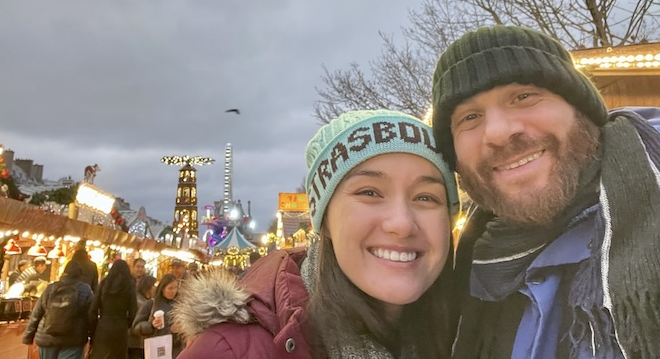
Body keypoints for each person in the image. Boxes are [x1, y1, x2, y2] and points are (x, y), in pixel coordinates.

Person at [430, 25, 660, 359]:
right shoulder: (476, 274)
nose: (497, 132)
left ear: (582, 110)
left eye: (523, 96)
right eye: (470, 117)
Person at [175, 109, 460, 359]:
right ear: (323, 222)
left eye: (426, 197)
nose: (401, 223)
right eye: (369, 192)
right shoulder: (228, 351)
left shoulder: (480, 334)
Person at [23, 261, 94, 359]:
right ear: (80, 275)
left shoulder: (51, 288)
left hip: (47, 337)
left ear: (64, 273)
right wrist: (93, 338)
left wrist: (28, 337)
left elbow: (37, 313)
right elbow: (91, 315)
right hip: (73, 340)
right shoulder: (85, 290)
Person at [88, 259, 138, 359]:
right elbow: (133, 312)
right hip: (121, 327)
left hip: (103, 327)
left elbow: (93, 309)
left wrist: (93, 330)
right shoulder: (130, 285)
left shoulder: (104, 283)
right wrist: (126, 324)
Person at [132, 274, 183, 358]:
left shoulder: (181, 305)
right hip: (157, 347)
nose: (174, 291)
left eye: (176, 287)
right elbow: (136, 327)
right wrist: (151, 325)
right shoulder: (151, 304)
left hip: (176, 349)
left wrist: (182, 328)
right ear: (162, 289)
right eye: (170, 288)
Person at [128, 275, 157, 359]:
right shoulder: (140, 303)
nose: (156, 288)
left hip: (138, 342)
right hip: (135, 343)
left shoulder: (145, 300)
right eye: (154, 285)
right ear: (148, 286)